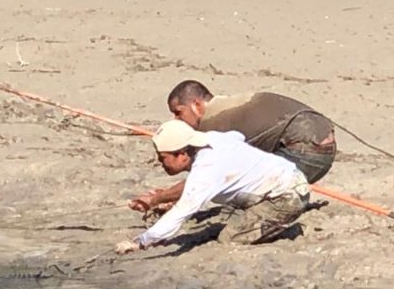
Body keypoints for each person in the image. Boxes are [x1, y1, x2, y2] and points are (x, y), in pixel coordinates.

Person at [129, 80, 335, 215]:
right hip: (324, 140)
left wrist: (157, 198)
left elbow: (200, 181)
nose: (176, 120)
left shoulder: (212, 124)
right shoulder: (228, 105)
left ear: (196, 105)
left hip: (308, 150)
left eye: (178, 113)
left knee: (244, 196)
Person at [116, 120, 310, 254]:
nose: (161, 163)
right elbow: (238, 136)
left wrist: (141, 241)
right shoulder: (212, 138)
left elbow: (181, 212)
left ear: (182, 153)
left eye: (163, 158)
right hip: (284, 179)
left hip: (286, 196)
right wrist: (157, 199)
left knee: (228, 239)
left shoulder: (206, 169)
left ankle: (284, 231)